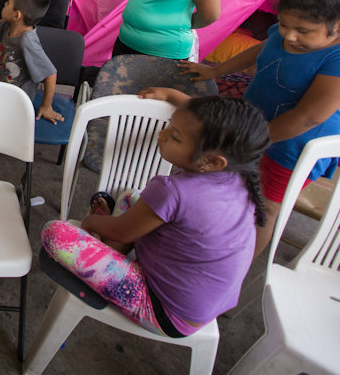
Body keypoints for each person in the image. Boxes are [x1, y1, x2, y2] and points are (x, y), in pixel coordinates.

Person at [176, 0, 340, 257]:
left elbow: (307, 117)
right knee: (230, 189)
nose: (289, 36)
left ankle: (232, 272)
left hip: (293, 147)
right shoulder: (287, 32)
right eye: (284, 25)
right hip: (256, 129)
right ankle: (212, 246)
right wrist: (215, 71)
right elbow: (262, 47)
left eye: (303, 31)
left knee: (263, 207)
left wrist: (243, 141)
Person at [41, 96, 269, 336]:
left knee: (57, 233)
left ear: (213, 161)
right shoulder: (238, 179)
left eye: (175, 136)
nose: (162, 134)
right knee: (131, 197)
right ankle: (111, 248)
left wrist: (90, 221)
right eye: (170, 125)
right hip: (201, 304)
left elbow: (122, 230)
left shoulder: (174, 191)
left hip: (164, 311)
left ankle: (106, 246)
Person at [0, 0, 62, 124]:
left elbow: (50, 73)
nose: (4, 4)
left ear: (16, 15)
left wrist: (46, 106)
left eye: (8, 3)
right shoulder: (8, 26)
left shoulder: (27, 41)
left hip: (15, 99)